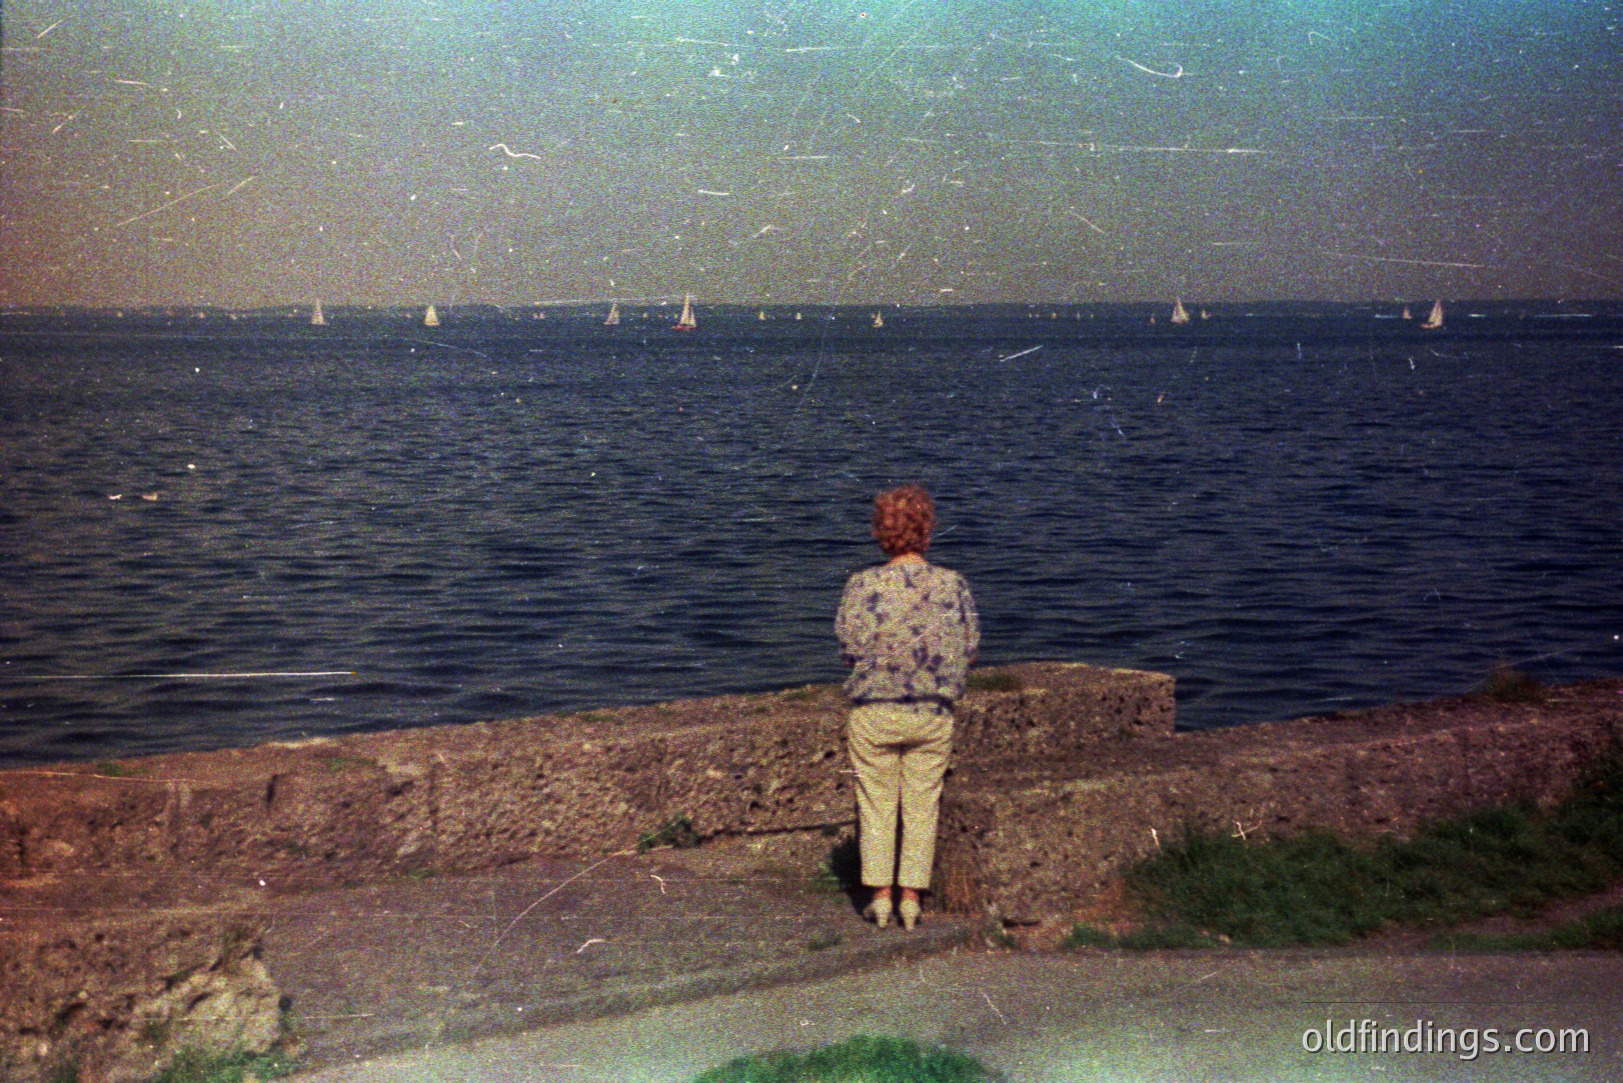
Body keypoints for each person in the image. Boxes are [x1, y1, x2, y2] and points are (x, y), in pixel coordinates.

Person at [835, 484, 979, 930]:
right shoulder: (952, 585)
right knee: (921, 804)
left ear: (881, 533)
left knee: (876, 804)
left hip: (874, 713)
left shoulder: (862, 585)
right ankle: (912, 898)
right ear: (927, 531)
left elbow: (847, 645)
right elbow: (969, 646)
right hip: (932, 714)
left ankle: (879, 896)